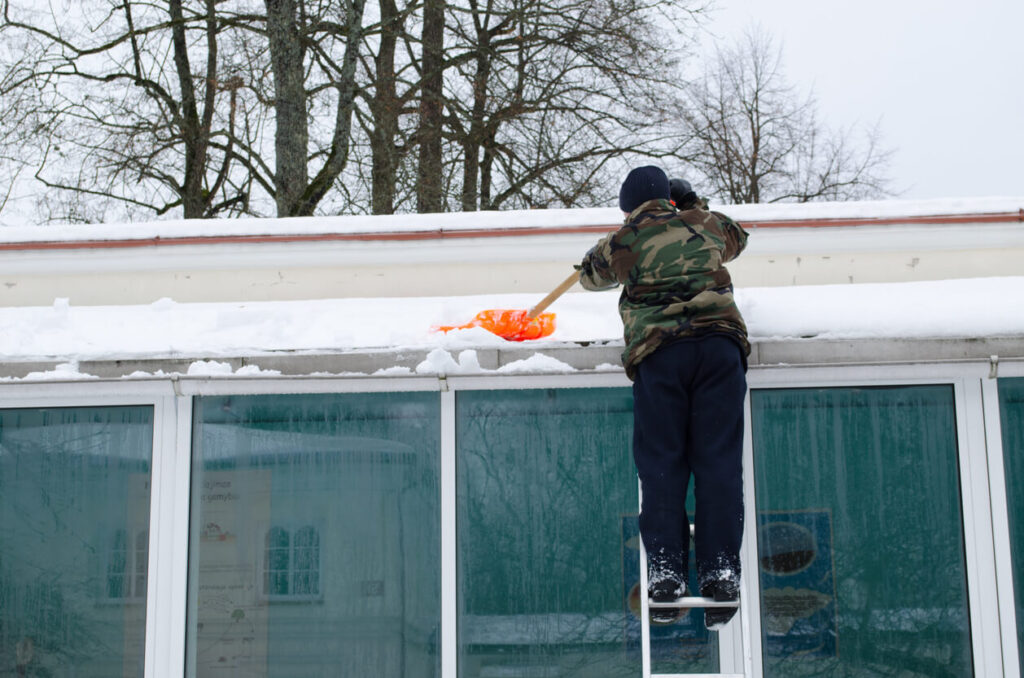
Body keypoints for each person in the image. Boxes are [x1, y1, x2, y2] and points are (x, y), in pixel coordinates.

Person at [577, 165, 750, 629]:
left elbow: (589, 277)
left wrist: (624, 233)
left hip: (661, 354)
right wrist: (692, 207)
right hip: (718, 349)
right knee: (718, 462)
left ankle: (667, 574)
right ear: (673, 199)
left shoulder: (624, 241)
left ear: (627, 206)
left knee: (662, 466)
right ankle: (720, 573)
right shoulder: (704, 225)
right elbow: (738, 238)